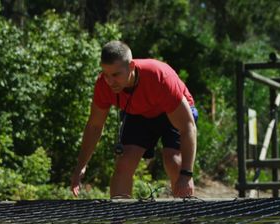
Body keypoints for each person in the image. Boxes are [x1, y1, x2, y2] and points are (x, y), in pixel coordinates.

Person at [71, 40, 198, 199]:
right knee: (124, 163)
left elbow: (187, 127)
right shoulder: (104, 85)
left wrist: (186, 175)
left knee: (173, 161)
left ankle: (187, 221)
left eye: (116, 75)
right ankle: (118, 222)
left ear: (131, 66)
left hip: (172, 112)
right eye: (106, 74)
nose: (110, 82)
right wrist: (81, 166)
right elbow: (94, 126)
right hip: (138, 112)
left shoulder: (159, 77)